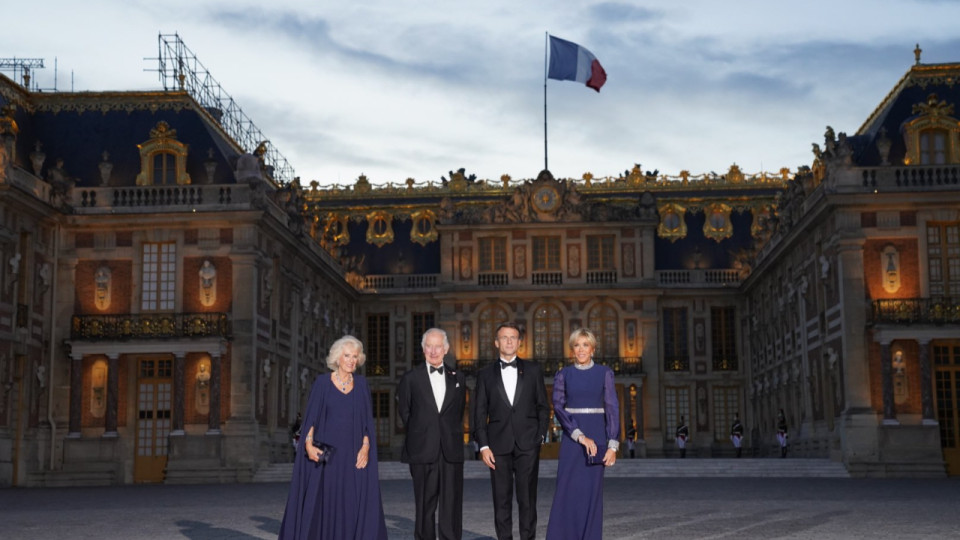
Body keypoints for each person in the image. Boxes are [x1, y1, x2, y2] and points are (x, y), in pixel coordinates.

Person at [277, 335, 388, 540]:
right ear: (337, 358)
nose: (351, 360)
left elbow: (367, 424)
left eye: (355, 356)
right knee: (326, 501)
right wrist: (308, 445)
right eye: (347, 355)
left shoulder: (362, 385)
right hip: (328, 456)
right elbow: (311, 419)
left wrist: (365, 447)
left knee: (352, 502)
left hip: (353, 456)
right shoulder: (322, 383)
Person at [472, 322, 550, 540]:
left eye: (513, 337)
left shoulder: (533, 370)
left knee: (527, 500)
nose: (508, 341)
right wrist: (484, 445)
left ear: (519, 342)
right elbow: (479, 412)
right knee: (501, 501)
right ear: (496, 342)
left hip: (528, 444)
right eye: (504, 337)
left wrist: (540, 436)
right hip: (497, 446)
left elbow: (543, 406)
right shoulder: (485, 374)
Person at [545, 328, 620, 540]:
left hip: (597, 436)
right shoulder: (563, 374)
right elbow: (558, 407)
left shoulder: (605, 373)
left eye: (585, 345)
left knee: (591, 492)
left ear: (593, 349)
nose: (581, 349)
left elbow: (612, 408)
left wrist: (613, 445)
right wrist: (579, 435)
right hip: (572, 438)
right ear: (572, 350)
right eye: (577, 345)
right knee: (566, 490)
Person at [397, 328, 467, 540]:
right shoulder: (410, 378)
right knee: (424, 505)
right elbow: (405, 413)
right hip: (422, 450)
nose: (434, 351)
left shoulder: (459, 378)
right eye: (429, 346)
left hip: (450, 451)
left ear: (446, 349)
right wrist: (423, 431)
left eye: (438, 346)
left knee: (451, 504)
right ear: (423, 349)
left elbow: (458, 411)